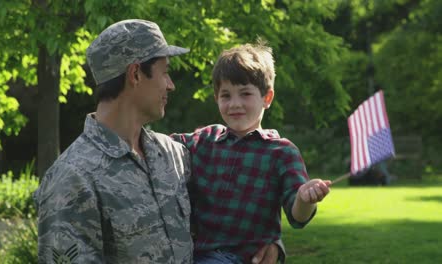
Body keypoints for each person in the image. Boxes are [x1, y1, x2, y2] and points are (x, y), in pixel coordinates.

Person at [34, 19, 278, 264]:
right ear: (136, 74)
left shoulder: (174, 155)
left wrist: (271, 243)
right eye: (165, 72)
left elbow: (235, 194)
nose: (171, 85)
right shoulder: (71, 179)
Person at [171, 42, 331, 264]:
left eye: (245, 93)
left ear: (267, 98)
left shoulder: (282, 152)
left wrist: (305, 199)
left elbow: (298, 218)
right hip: (194, 253)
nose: (235, 104)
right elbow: (160, 145)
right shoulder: (205, 140)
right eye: (226, 95)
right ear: (216, 98)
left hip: (243, 257)